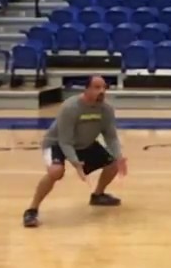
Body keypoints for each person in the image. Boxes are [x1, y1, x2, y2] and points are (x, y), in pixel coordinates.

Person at [23, 76, 128, 228]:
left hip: (84, 144)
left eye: (104, 88)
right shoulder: (70, 107)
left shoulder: (106, 110)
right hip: (56, 143)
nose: (102, 91)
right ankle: (32, 210)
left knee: (113, 165)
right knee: (55, 172)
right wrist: (76, 164)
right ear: (87, 89)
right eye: (97, 87)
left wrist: (119, 157)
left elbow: (111, 137)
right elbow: (65, 141)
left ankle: (98, 195)